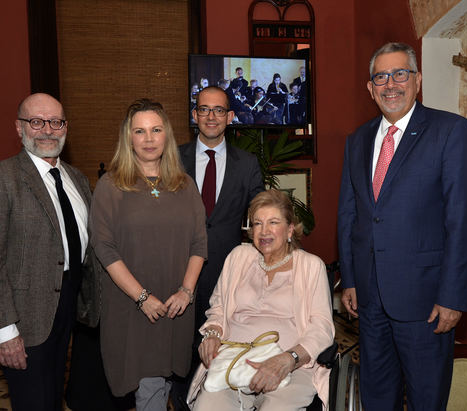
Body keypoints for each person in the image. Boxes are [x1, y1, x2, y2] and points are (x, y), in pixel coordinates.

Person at [337, 42, 467, 410]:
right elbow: (349, 215)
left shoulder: (450, 131)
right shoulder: (357, 142)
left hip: (426, 303)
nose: (391, 84)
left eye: (400, 74)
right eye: (381, 77)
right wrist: (350, 279)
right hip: (369, 301)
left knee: (425, 399)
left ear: (417, 80)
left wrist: (453, 296)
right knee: (377, 396)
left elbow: (462, 221)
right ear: (370, 88)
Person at [0, 93, 99, 410]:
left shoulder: (77, 178)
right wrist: (3, 333)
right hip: (25, 317)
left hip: (69, 304)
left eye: (55, 122)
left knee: (53, 395)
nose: (47, 130)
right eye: (36, 122)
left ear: (65, 127)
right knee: (33, 402)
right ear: (19, 127)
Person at [90, 98, 207, 410]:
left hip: (175, 306)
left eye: (156, 130)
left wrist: (186, 291)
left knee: (163, 381)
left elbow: (199, 243)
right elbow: (104, 249)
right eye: (140, 131)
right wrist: (142, 297)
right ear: (128, 138)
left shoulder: (185, 186)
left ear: (166, 135)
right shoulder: (111, 186)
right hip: (132, 309)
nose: (149, 138)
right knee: (149, 387)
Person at [188, 189, 335, 410]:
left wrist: (289, 358)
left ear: (290, 229)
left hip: (290, 368)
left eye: (273, 222)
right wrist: (211, 334)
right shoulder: (238, 257)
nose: (264, 231)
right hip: (233, 363)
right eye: (257, 223)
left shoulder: (310, 265)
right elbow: (217, 309)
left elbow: (322, 327)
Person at [172, 86, 263, 410]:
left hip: (229, 273)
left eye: (219, 110)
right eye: (204, 109)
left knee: (219, 347)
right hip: (179, 272)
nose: (211, 116)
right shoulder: (172, 158)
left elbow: (259, 216)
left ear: (230, 116)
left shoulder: (247, 163)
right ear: (194, 115)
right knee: (180, 348)